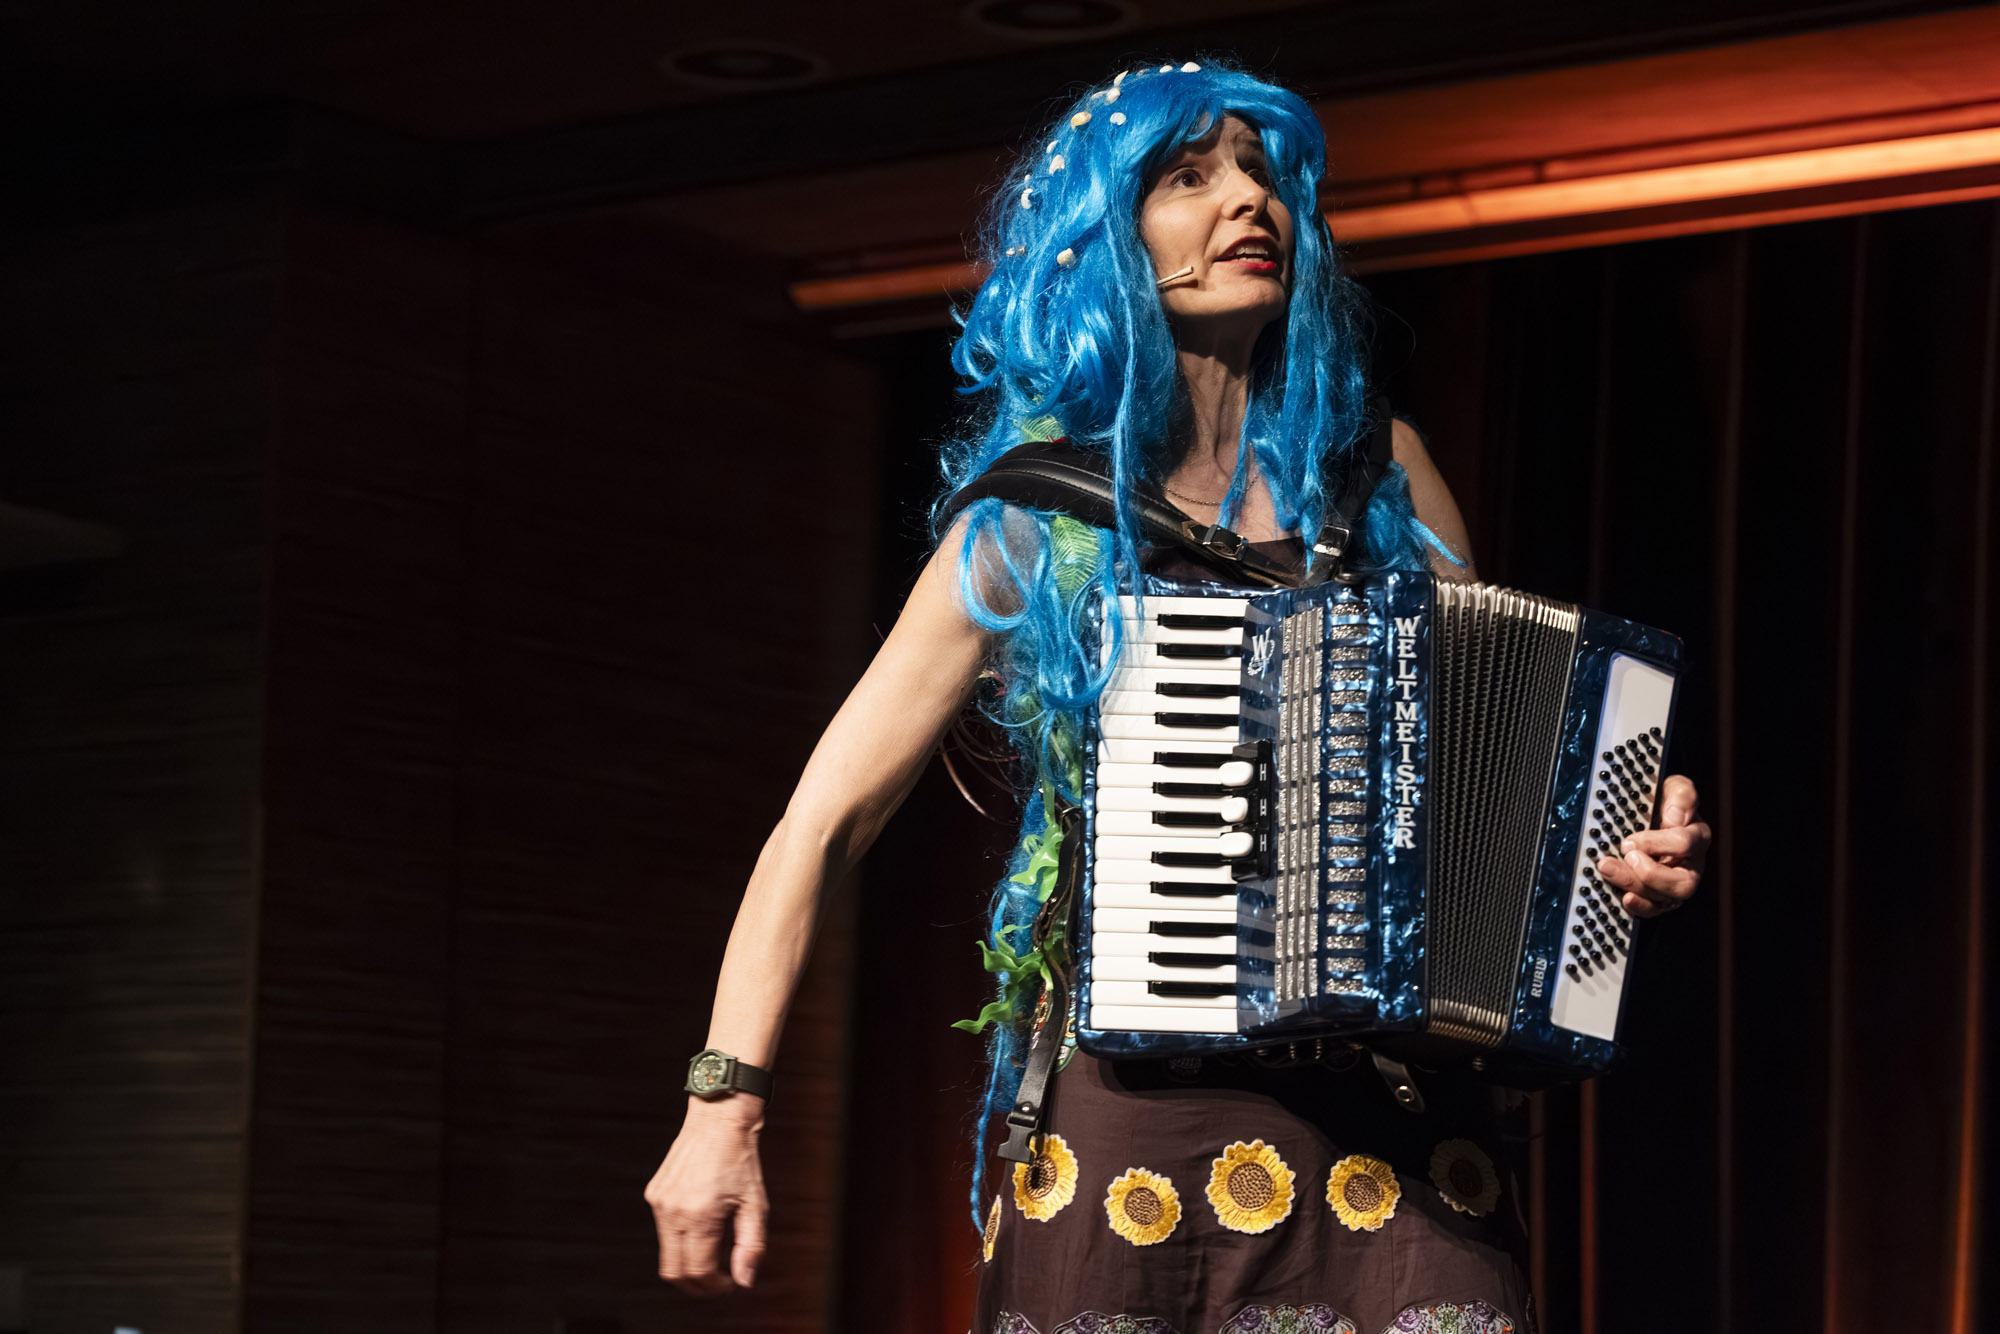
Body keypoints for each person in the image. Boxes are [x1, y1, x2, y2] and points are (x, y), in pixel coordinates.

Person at [645, 60, 1711, 1333]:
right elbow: (819, 824)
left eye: (1261, 173)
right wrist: (723, 1104)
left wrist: (1604, 850)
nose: (1245, 199)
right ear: (1105, 239)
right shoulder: (1032, 518)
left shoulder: (1382, 476)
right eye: (1188, 177)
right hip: (1131, 1129)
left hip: (1394, 1123)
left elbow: (1486, 786)